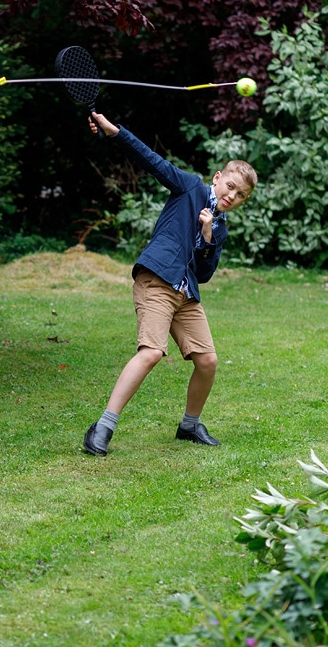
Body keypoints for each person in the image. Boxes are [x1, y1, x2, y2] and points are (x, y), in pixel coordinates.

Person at [81, 113, 256, 456]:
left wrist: (207, 238)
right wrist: (115, 133)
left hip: (186, 293)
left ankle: (189, 426)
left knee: (208, 361)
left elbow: (204, 273)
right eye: (230, 187)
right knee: (152, 352)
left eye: (241, 195)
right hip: (158, 280)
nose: (232, 196)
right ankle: (102, 426)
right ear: (218, 178)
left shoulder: (220, 228)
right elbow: (152, 161)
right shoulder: (189, 187)